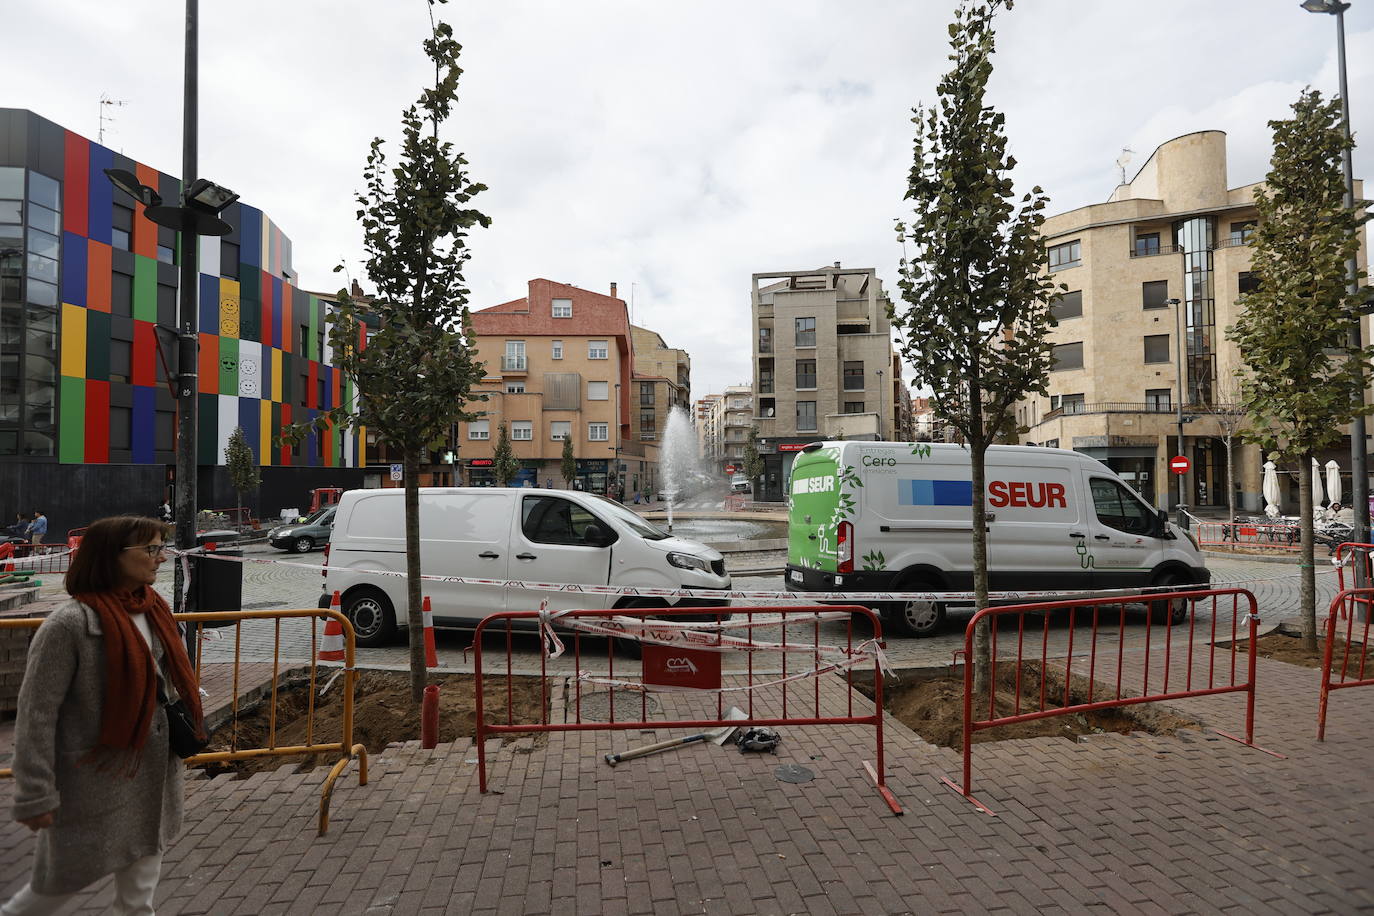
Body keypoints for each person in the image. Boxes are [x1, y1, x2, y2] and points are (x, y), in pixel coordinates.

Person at [3, 515, 203, 915]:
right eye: (150, 549)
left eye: (160, 548)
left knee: (138, 899)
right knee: (49, 892)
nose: (160, 558)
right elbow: (37, 715)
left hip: (151, 778)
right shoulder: (69, 625)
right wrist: (35, 793)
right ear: (112, 556)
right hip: (94, 784)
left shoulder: (154, 610)